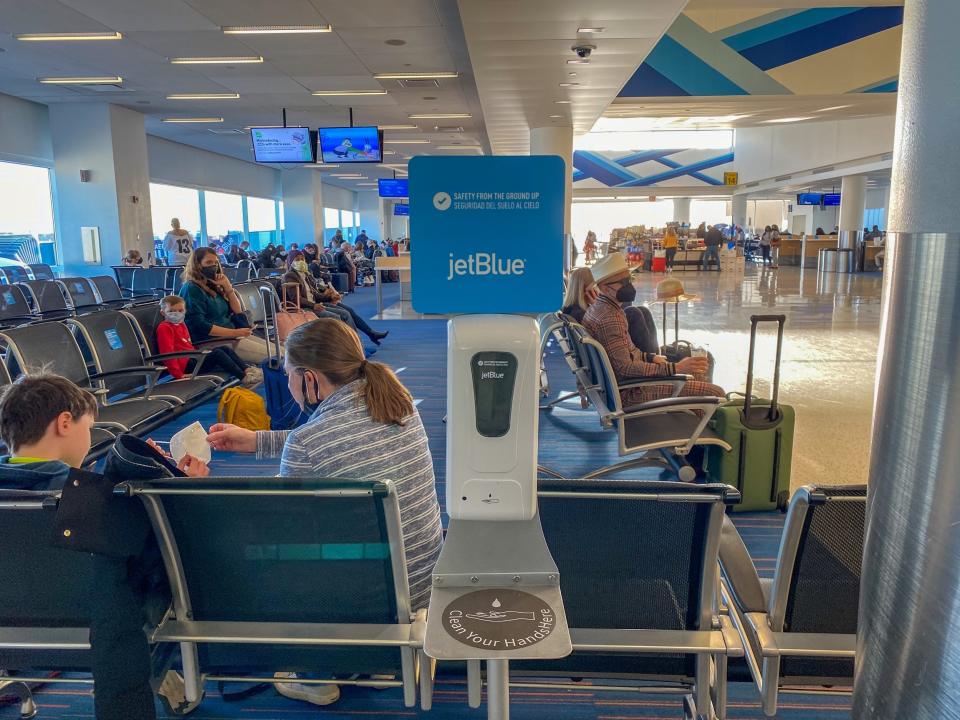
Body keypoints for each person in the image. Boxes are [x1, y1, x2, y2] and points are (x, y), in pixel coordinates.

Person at [206, 319, 443, 707]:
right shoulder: (396, 402)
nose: (288, 387)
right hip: (422, 588)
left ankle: (314, 671)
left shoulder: (308, 443)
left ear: (310, 378)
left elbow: (285, 542)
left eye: (289, 377)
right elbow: (342, 443)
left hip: (367, 601)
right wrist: (259, 441)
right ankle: (388, 662)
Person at [0, 374, 208, 719]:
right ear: (64, 422)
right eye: (88, 426)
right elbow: (168, 559)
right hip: (96, 623)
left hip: (14, 619)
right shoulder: (100, 502)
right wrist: (181, 491)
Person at [582, 254, 722, 408]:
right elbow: (625, 368)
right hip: (629, 392)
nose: (629, 285)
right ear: (604, 288)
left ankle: (691, 421)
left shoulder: (603, 308)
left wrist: (650, 356)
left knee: (696, 377)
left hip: (620, 385)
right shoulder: (610, 318)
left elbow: (628, 351)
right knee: (716, 392)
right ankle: (696, 425)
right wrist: (676, 368)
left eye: (629, 279)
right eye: (623, 282)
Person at [179, 248, 269, 363]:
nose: (213, 266)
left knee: (282, 352)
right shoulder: (191, 289)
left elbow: (237, 311)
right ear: (197, 265)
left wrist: (228, 288)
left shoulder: (213, 285)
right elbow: (199, 325)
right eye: (208, 263)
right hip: (214, 342)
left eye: (215, 262)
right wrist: (235, 333)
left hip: (232, 336)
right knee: (277, 358)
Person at [156, 296, 261, 387]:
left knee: (224, 348)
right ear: (162, 312)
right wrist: (178, 374)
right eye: (171, 311)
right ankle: (244, 378)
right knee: (217, 354)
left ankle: (247, 370)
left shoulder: (181, 324)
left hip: (193, 358)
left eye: (180, 311)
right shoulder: (164, 328)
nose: (177, 314)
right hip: (186, 366)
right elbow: (167, 354)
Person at [284, 253, 388, 344]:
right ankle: (352, 343)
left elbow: (314, 294)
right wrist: (314, 305)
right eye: (297, 259)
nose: (301, 261)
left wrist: (330, 297)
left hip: (316, 304)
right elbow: (296, 299)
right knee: (340, 316)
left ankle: (358, 340)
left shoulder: (305, 274)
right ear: (291, 261)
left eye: (302, 259)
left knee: (348, 311)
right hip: (306, 308)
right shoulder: (290, 276)